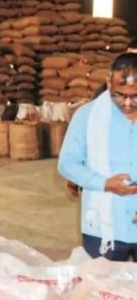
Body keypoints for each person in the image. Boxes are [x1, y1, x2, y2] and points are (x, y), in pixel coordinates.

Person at [58, 53, 137, 261]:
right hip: (103, 228)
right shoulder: (88, 116)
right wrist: (104, 183)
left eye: (135, 95)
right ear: (108, 83)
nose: (127, 103)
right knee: (100, 290)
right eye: (120, 95)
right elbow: (68, 163)